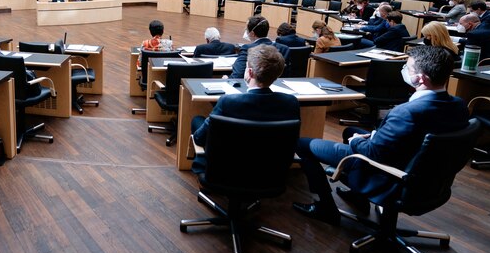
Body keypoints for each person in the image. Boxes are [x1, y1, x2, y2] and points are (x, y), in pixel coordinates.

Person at [293, 46, 469, 224]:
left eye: (408, 68)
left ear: (420, 78)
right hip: (428, 178)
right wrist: (373, 136)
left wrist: (356, 143)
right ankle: (358, 197)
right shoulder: (458, 105)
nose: (404, 71)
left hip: (391, 177)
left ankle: (325, 208)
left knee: (303, 144)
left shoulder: (407, 112)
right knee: (350, 131)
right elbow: (416, 137)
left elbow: (373, 153)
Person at [190, 45, 299, 174]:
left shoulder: (227, 102)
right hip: (270, 173)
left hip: (226, 172)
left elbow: (199, 138)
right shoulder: (291, 103)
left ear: (250, 72)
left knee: (197, 120)